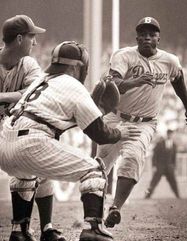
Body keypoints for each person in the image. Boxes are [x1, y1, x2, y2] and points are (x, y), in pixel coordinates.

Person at [0, 41, 140, 241]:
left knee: (29, 174)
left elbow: (54, 116)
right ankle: (92, 229)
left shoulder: (40, 81)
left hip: (5, 143)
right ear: (76, 66)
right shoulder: (72, 84)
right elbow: (99, 134)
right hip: (31, 141)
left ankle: (19, 231)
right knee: (94, 170)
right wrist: (120, 134)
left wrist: (93, 111)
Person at [96, 16, 187, 228]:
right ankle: (93, 214)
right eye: (143, 34)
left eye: (151, 34)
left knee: (132, 159)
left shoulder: (169, 60)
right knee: (98, 167)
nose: (147, 38)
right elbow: (113, 85)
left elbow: (178, 79)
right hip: (116, 117)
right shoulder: (124, 55)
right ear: (137, 37)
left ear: (158, 38)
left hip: (144, 123)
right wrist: (137, 81)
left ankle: (115, 208)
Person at [0, 15, 66, 241]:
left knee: (41, 158)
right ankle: (20, 230)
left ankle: (45, 228)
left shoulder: (28, 64)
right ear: (19, 38)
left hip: (11, 129)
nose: (35, 42)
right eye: (31, 37)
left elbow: (30, 94)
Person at [145, 129, 180, 199]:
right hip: (159, 167)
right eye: (169, 134)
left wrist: (174, 167)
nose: (170, 135)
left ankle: (178, 196)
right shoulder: (160, 143)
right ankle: (147, 196)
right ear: (167, 134)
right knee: (153, 182)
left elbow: (174, 158)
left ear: (173, 135)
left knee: (173, 182)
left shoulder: (174, 145)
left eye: (171, 134)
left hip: (169, 168)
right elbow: (154, 156)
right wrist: (154, 166)